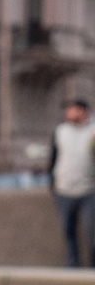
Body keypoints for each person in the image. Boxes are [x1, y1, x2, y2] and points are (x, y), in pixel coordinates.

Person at [52, 91, 94, 271]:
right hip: (63, 189)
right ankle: (72, 267)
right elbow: (53, 158)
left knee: (91, 232)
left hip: (89, 190)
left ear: (83, 111)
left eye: (73, 110)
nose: (69, 113)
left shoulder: (92, 132)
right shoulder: (60, 131)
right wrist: (52, 183)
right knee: (68, 232)